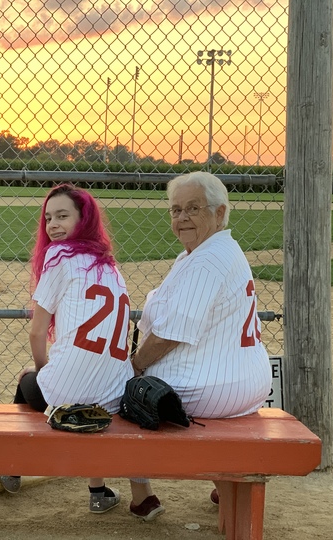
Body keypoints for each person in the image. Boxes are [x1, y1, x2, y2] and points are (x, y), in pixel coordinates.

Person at [0, 184, 159, 519]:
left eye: (62, 216)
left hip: (75, 391)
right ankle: (98, 493)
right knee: (86, 396)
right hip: (116, 391)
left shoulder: (59, 256)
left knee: (29, 380)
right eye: (48, 218)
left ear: (83, 218)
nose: (52, 224)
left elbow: (36, 332)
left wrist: (41, 373)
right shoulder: (109, 264)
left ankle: (11, 467)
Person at [131, 171, 272, 505]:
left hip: (210, 391)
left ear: (219, 213)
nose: (182, 218)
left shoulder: (206, 259)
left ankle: (142, 496)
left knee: (127, 393)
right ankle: (224, 483)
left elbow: (167, 336)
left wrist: (133, 367)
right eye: (175, 210)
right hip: (243, 382)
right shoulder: (214, 250)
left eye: (193, 209)